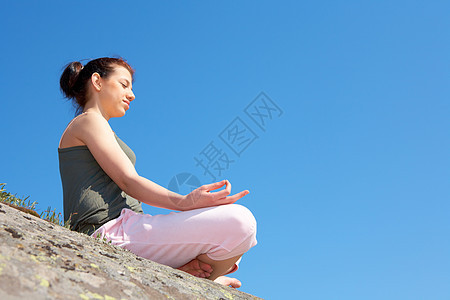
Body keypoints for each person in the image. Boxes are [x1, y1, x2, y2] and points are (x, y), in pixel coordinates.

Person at [58, 57, 257, 288]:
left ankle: (181, 274)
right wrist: (185, 202)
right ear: (97, 82)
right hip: (107, 231)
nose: (131, 95)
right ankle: (189, 278)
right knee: (240, 223)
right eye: (124, 85)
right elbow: (128, 180)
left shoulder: (99, 126)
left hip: (130, 226)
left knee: (235, 230)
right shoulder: (88, 121)